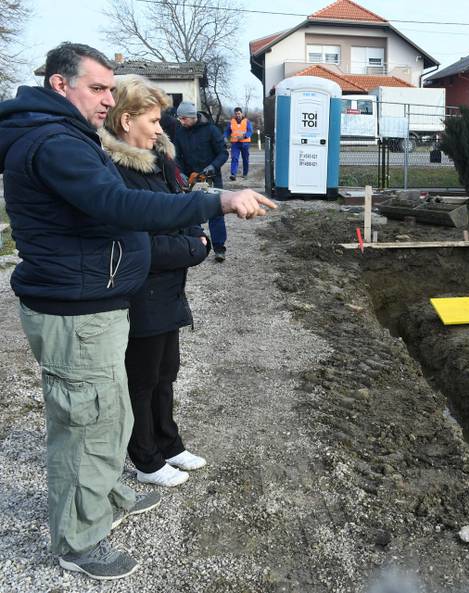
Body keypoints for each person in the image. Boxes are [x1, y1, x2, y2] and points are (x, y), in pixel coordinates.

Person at [0, 42, 275, 581]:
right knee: (87, 428)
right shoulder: (55, 142)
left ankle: (107, 498)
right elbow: (120, 206)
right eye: (98, 88)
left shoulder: (65, 135)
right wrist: (215, 200)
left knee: (112, 414)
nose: (107, 99)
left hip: (97, 303)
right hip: (76, 312)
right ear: (61, 85)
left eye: (109, 87)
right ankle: (77, 543)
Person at [99, 76, 209, 489]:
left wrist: (194, 238)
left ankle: (169, 442)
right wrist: (194, 249)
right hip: (139, 296)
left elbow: (183, 211)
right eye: (153, 119)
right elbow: (139, 244)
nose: (161, 128)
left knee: (167, 372)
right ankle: (144, 457)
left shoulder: (161, 162)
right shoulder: (115, 172)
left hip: (168, 291)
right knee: (141, 379)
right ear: (126, 121)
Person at [174, 101, 229, 262]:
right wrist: (182, 173)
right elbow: (178, 156)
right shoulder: (180, 133)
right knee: (192, 212)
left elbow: (223, 153)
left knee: (216, 213)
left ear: (192, 117)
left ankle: (219, 249)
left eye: (184, 119)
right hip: (191, 178)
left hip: (211, 178)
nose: (181, 122)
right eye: (180, 119)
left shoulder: (211, 130)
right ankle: (194, 245)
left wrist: (213, 166)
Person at [225, 106, 253, 181]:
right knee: (234, 158)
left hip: (245, 143)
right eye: (236, 114)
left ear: (242, 113)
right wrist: (224, 137)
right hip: (235, 143)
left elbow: (250, 131)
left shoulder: (247, 121)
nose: (238, 115)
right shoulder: (231, 122)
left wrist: (244, 136)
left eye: (239, 113)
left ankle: (245, 174)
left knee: (245, 159)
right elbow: (227, 131)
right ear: (235, 114)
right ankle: (233, 174)